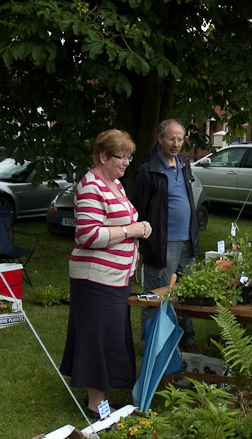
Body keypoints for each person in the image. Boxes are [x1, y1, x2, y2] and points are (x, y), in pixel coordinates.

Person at [60, 129, 152, 418]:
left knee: (111, 336)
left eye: (129, 157)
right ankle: (95, 402)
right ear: (103, 156)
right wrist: (131, 230)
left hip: (116, 277)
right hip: (95, 278)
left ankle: (104, 395)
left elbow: (121, 221)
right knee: (96, 337)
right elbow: (87, 235)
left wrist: (140, 228)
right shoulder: (90, 186)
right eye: (121, 157)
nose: (126, 163)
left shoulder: (114, 184)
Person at [131, 118, 200, 351]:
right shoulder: (147, 170)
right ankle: (153, 345)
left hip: (187, 242)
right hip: (162, 243)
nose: (176, 143)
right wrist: (143, 244)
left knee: (186, 292)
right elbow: (137, 211)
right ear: (160, 138)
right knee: (155, 296)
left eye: (180, 139)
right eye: (171, 138)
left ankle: (185, 341)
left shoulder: (183, 164)